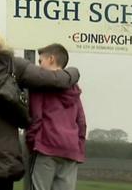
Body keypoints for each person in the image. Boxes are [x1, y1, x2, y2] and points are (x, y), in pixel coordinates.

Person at [0, 31, 80, 190]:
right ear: (3, 46)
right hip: (3, 150)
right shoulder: (14, 65)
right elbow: (54, 80)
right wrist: (74, 72)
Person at [26, 43, 87, 190]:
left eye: (41, 61)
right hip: (70, 150)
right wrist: (78, 146)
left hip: (46, 147)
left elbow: (36, 117)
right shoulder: (74, 88)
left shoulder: (40, 84)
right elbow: (81, 122)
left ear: (51, 59)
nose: (39, 66)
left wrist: (31, 143)